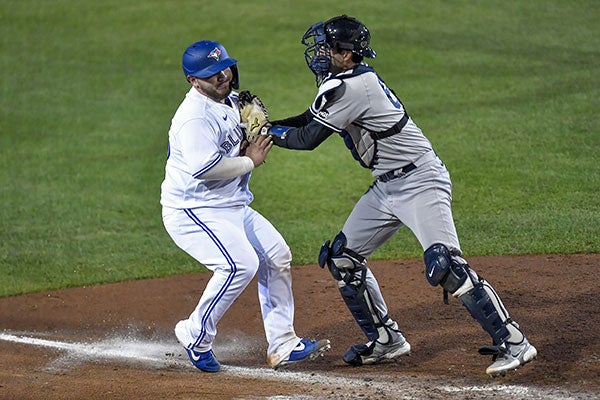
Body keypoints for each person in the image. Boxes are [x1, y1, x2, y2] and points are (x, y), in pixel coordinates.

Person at [256, 15, 537, 377]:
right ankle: (387, 341)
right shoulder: (344, 81)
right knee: (343, 259)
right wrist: (268, 127)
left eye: (327, 47)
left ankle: (515, 342)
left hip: (420, 180)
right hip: (387, 186)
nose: (320, 53)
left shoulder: (352, 89)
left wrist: (266, 136)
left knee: (445, 264)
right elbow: (307, 119)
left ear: (345, 54)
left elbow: (308, 139)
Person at [160, 40, 330, 372]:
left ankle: (283, 344)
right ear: (193, 81)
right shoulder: (193, 118)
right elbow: (206, 169)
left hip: (230, 205)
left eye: (224, 67)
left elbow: (255, 133)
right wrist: (250, 161)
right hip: (193, 210)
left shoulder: (234, 101)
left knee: (276, 254)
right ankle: (196, 334)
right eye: (211, 74)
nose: (223, 76)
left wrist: (275, 132)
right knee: (239, 265)